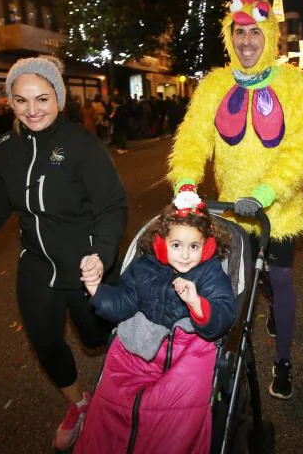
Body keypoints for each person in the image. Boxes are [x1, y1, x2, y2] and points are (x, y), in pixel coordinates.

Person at [0, 55, 128, 451]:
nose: (32, 109)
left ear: (58, 97)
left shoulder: (80, 144)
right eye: (21, 100)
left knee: (96, 336)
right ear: (11, 102)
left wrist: (102, 255)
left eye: (42, 98)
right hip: (36, 265)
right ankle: (79, 404)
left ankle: (127, 385)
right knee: (45, 342)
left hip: (85, 263)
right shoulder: (5, 148)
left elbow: (112, 205)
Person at [168, 0, 303, 400]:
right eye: (239, 32)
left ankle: (283, 359)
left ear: (268, 36)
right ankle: (223, 359)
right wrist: (185, 181)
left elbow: (300, 150)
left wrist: (269, 192)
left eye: (254, 32)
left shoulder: (295, 85)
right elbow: (194, 139)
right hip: (231, 213)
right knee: (237, 286)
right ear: (229, 36)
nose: (246, 41)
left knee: (281, 278)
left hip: (278, 210)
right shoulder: (213, 86)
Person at [75, 187, 236, 453]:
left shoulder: (209, 274)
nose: (185, 255)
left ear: (206, 246)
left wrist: (197, 303)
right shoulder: (144, 267)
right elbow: (125, 302)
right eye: (177, 245)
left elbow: (223, 316)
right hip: (140, 345)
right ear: (162, 243)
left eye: (193, 246)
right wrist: (97, 291)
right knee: (110, 405)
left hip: (189, 353)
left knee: (172, 419)